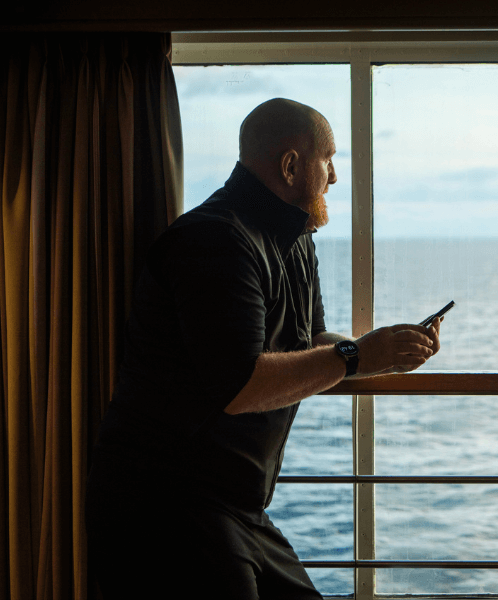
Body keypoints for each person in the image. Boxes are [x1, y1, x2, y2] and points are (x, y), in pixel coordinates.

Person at [85, 98, 442, 600]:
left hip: (236, 508)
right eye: (329, 159)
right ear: (291, 165)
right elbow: (239, 385)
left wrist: (386, 350)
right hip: (164, 507)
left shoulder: (296, 238)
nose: (335, 177)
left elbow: (312, 342)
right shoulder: (215, 240)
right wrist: (360, 357)